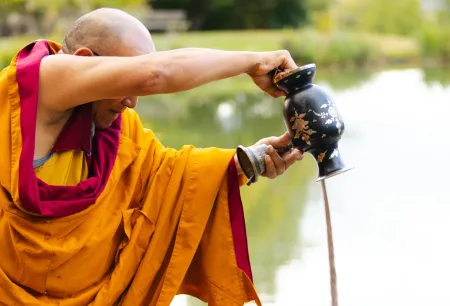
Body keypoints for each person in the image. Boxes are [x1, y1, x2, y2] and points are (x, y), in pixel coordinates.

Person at [0, 7, 303, 306]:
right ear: (83, 62)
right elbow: (156, 74)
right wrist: (255, 61)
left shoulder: (116, 131)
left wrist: (252, 160)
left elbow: (167, 180)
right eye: (126, 83)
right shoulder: (40, 81)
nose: (132, 102)